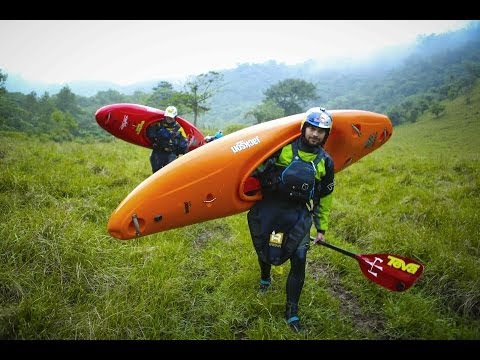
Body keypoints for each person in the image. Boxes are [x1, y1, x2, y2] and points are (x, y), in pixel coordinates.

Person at [247, 107, 335, 333]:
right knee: (270, 247)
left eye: (321, 131)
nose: (315, 134)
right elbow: (254, 169)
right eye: (312, 128)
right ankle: (265, 278)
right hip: (275, 213)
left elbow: (325, 196)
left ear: (326, 135)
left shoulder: (326, 162)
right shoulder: (283, 149)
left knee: (299, 258)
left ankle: (292, 312)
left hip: (298, 217)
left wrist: (321, 226)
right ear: (304, 128)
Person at [146, 105, 188, 173]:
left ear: (175, 117)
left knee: (169, 174)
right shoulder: (158, 125)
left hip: (171, 154)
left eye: (171, 117)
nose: (169, 119)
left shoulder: (179, 129)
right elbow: (150, 134)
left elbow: (184, 145)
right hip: (158, 152)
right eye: (168, 117)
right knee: (156, 173)